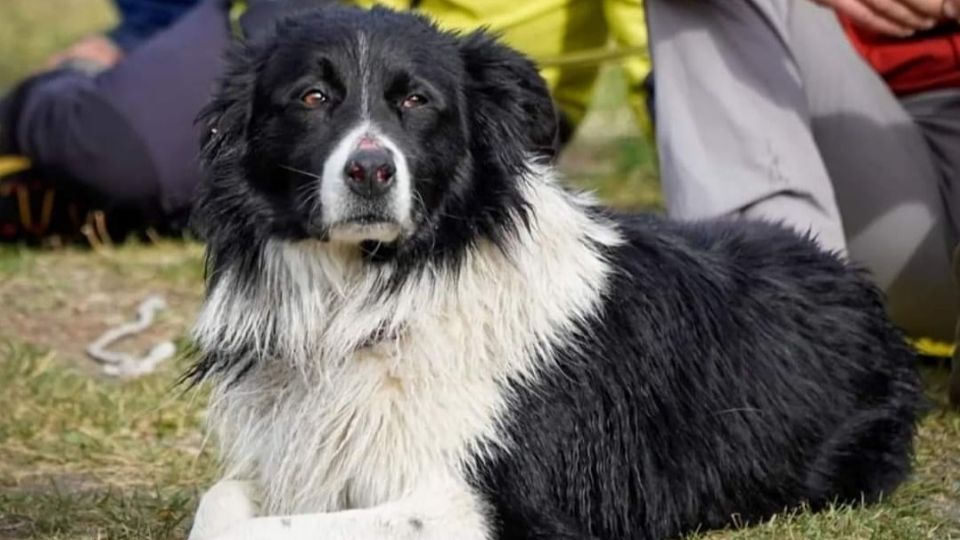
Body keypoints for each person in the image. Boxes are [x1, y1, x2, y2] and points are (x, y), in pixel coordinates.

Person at [0, 0, 646, 241]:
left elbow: (671, 51)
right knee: (115, 150)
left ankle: (140, 205)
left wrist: (726, 188)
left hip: (456, 82)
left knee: (201, 188)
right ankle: (81, 81)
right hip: (307, 21)